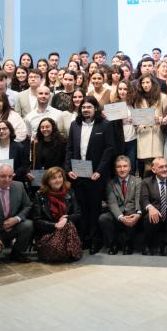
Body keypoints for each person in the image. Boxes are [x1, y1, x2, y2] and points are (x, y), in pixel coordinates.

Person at [64, 96, 116, 253]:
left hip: (96, 175)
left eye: (89, 107)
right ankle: (83, 238)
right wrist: (68, 169)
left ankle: (95, 240)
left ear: (96, 109)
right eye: (83, 107)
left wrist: (99, 171)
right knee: (82, 208)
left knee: (94, 208)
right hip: (78, 174)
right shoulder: (75, 125)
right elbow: (69, 149)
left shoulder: (105, 125)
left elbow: (109, 149)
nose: (86, 110)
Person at [30, 167, 82, 262]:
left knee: (68, 224)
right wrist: (55, 225)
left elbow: (78, 213)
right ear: (47, 181)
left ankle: (66, 252)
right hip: (47, 234)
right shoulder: (40, 195)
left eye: (60, 177)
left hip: (67, 232)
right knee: (67, 226)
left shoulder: (70, 192)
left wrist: (66, 218)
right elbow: (37, 221)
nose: (58, 180)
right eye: (54, 178)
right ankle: (69, 252)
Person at [140, 157, 167, 256]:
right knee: (148, 217)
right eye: (161, 167)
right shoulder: (146, 182)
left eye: (166, 166)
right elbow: (143, 199)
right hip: (155, 212)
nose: (165, 169)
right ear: (154, 170)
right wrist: (150, 208)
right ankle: (147, 244)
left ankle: (166, 244)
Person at [99, 156, 142, 255]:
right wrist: (121, 217)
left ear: (130, 168)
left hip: (131, 212)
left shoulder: (138, 181)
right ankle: (113, 244)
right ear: (115, 169)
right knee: (103, 218)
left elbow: (138, 200)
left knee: (131, 214)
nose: (122, 169)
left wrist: (138, 213)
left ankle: (128, 243)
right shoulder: (110, 184)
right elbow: (112, 203)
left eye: (125, 166)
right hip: (118, 214)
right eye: (119, 167)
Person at [135, 74, 166, 175]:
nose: (145, 85)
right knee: (146, 167)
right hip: (143, 134)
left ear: (153, 83)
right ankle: (146, 184)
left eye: (147, 82)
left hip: (157, 134)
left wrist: (160, 119)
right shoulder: (138, 98)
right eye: (143, 83)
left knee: (159, 165)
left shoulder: (163, 97)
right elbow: (136, 119)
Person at [30, 118, 67, 183]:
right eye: (42, 127)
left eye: (47, 127)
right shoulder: (35, 143)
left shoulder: (62, 142)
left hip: (56, 178)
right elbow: (33, 161)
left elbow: (64, 161)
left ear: (53, 127)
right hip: (39, 178)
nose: (44, 129)